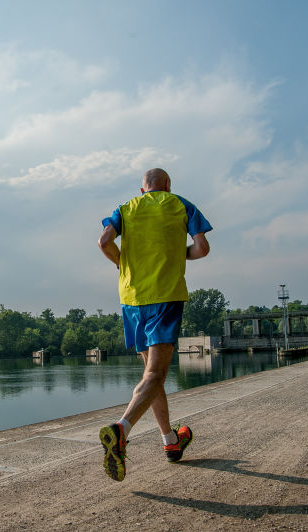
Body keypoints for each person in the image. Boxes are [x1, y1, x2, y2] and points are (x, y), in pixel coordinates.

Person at [97, 168, 212, 482]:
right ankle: (121, 429)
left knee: (151, 376)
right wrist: (176, 255)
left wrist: (125, 263)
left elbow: (104, 242)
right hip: (165, 295)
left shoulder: (125, 208)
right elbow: (202, 248)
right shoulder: (181, 205)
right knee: (156, 374)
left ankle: (171, 442)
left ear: (142, 189)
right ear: (168, 185)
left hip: (131, 298)